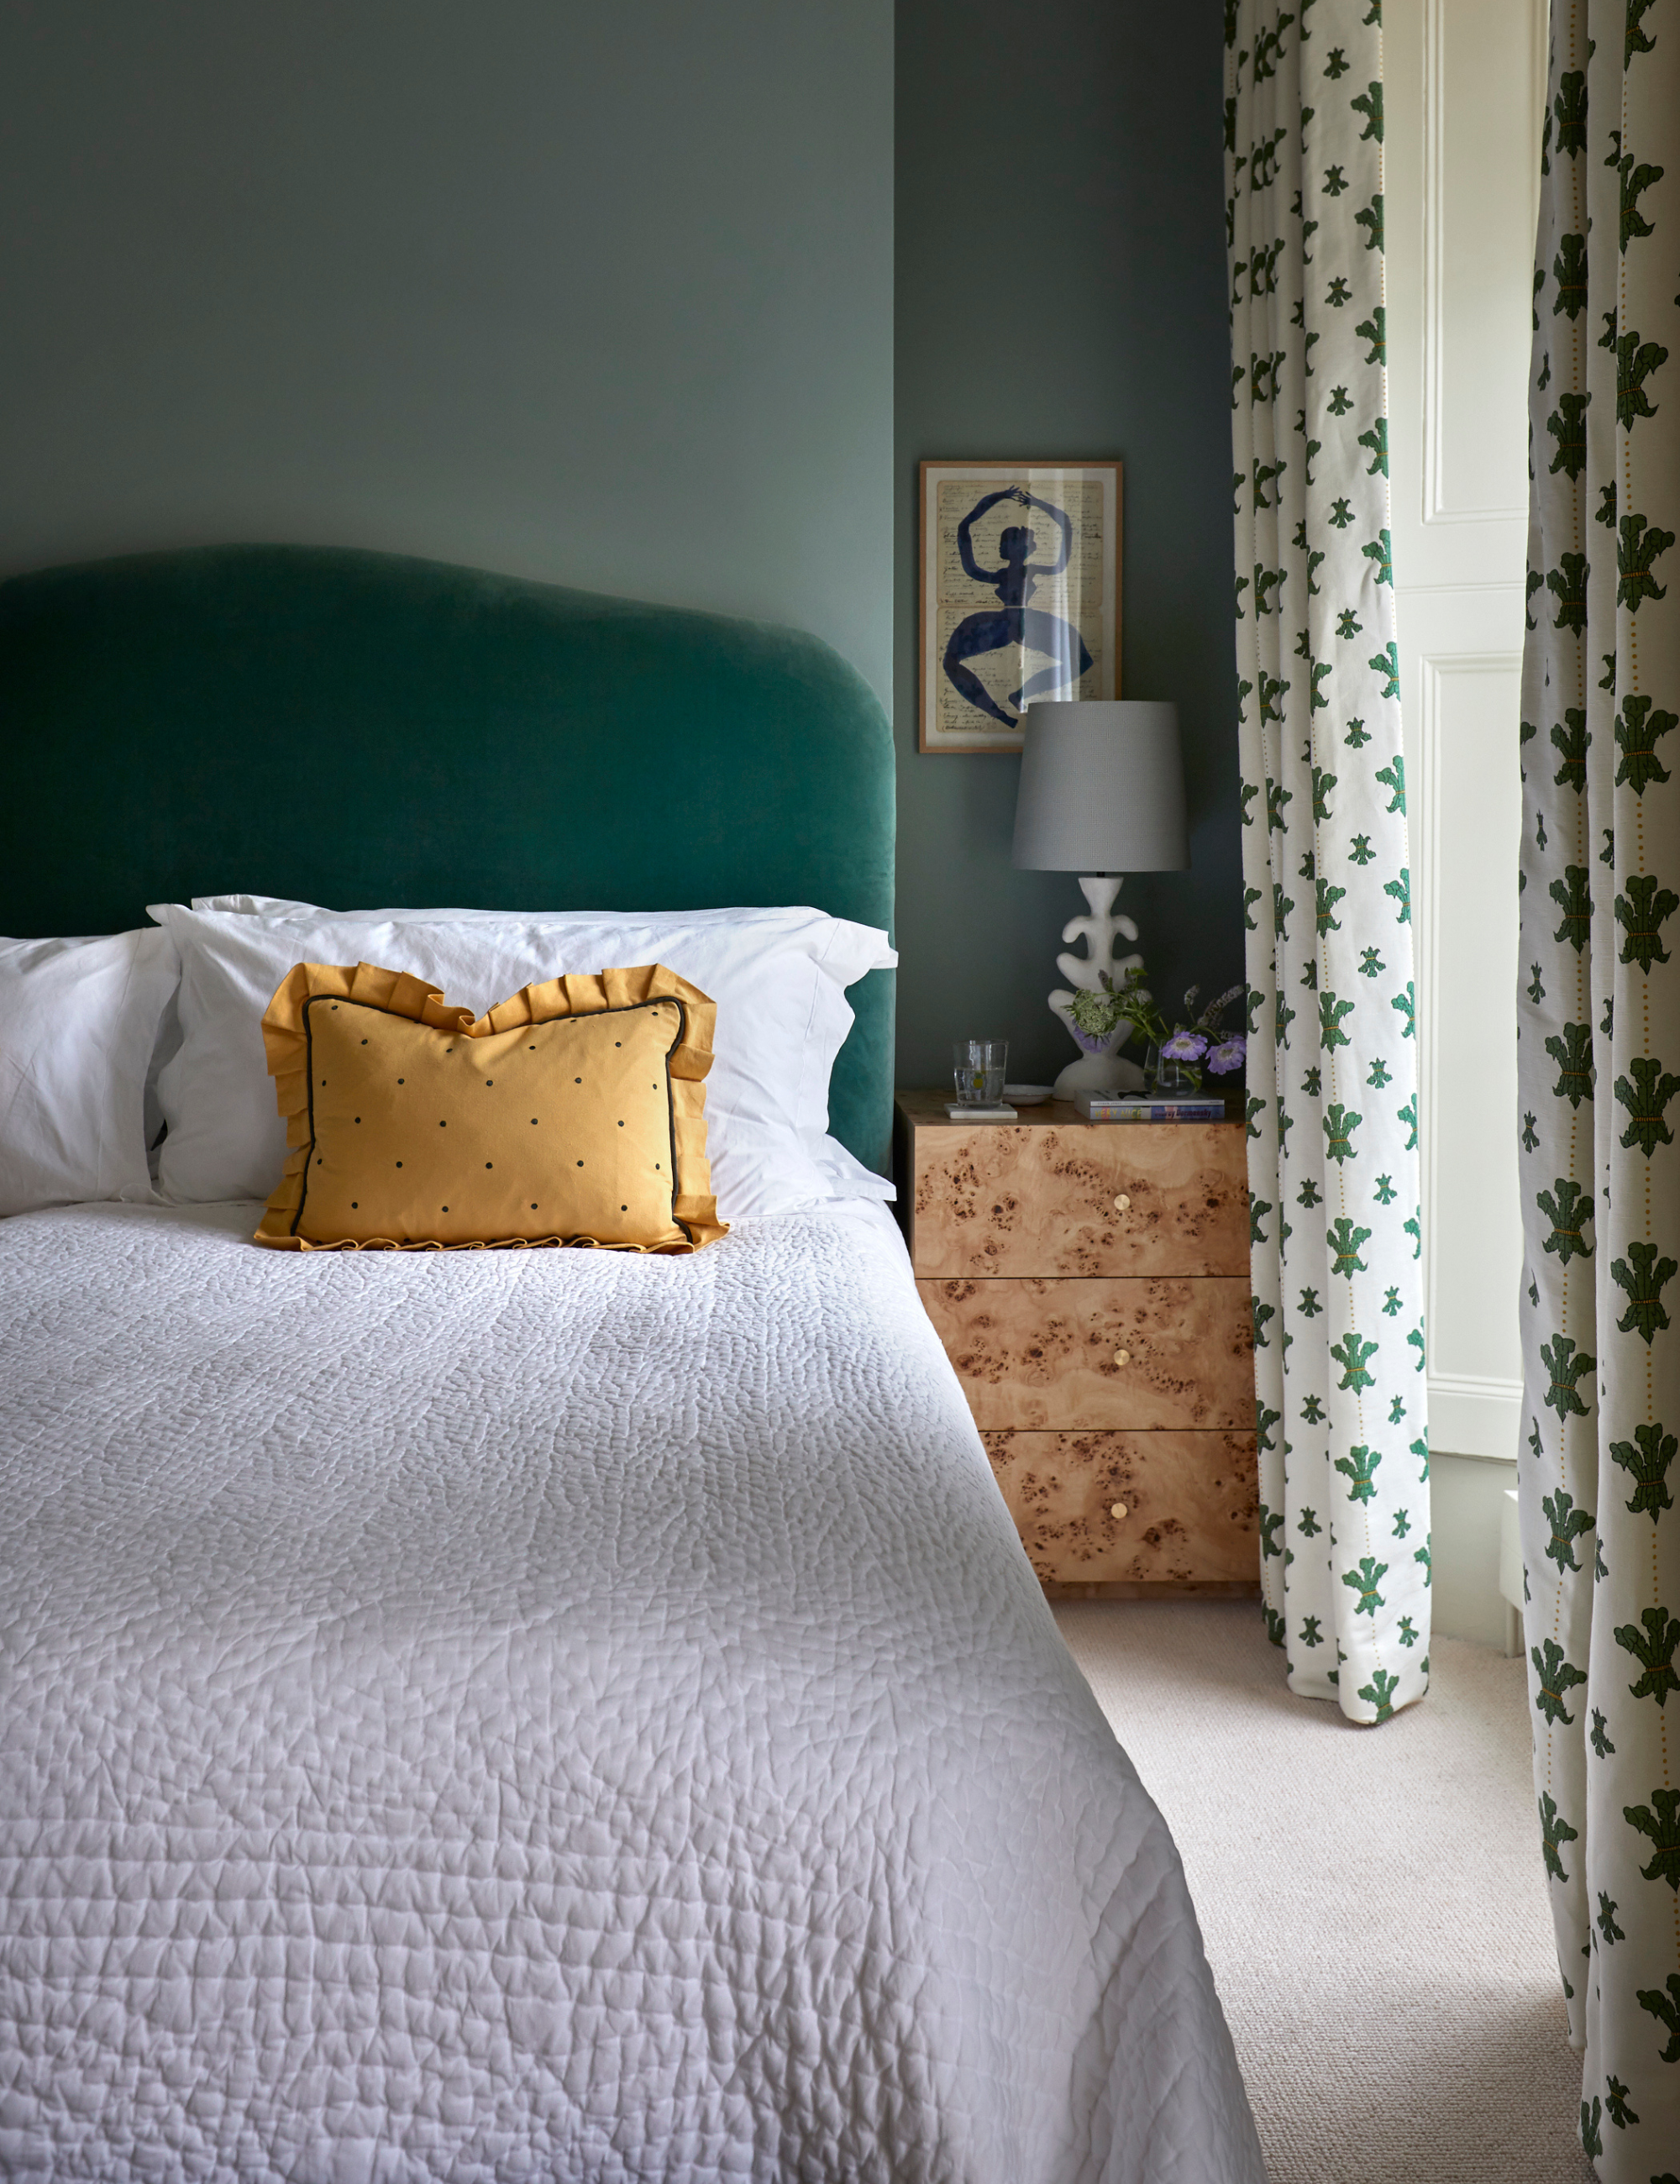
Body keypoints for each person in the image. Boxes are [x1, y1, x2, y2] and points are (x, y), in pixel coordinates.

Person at [942, 486, 1093, 727]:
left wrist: (1038, 503)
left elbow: (1065, 524)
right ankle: (1000, 714)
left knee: (1082, 659)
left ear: (1026, 547)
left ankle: (1021, 694)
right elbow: (964, 529)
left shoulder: (1035, 570)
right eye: (1006, 541)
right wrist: (996, 497)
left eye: (1011, 540)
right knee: (950, 661)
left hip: (1024, 622)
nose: (1005, 545)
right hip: (1002, 623)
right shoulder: (999, 574)